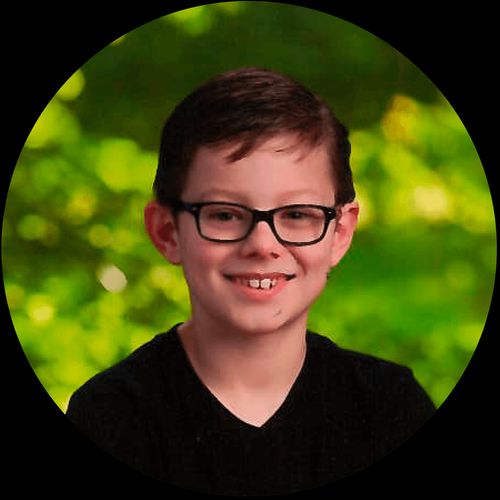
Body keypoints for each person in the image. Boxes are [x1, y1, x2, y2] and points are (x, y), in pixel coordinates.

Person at [66, 66, 435, 496]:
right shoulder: (112, 416)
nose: (263, 244)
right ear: (168, 232)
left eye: (297, 214)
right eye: (224, 214)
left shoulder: (390, 409)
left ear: (340, 233)